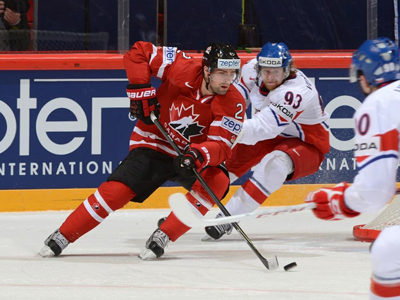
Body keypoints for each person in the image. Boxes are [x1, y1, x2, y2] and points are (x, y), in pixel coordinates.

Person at [38, 41, 247, 260]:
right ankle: (64, 234)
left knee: (218, 181)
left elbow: (221, 146)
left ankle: (165, 234)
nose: (227, 80)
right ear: (206, 70)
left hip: (190, 154)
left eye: (232, 73)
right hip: (155, 141)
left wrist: (199, 154)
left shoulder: (234, 102)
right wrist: (140, 87)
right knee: (117, 191)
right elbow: (139, 52)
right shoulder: (182, 66)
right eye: (221, 73)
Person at [202, 42, 330, 240]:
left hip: (307, 143)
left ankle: (228, 219)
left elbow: (262, 128)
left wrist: (221, 129)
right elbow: (233, 101)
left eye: (276, 71)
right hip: (271, 134)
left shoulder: (296, 93)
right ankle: (189, 210)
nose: (269, 76)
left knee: (274, 166)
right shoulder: (250, 70)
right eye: (265, 70)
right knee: (223, 164)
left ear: (287, 70)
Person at [304, 37, 400, 299]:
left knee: (389, 248)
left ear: (365, 76)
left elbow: (376, 191)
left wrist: (340, 201)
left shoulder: (377, 105)